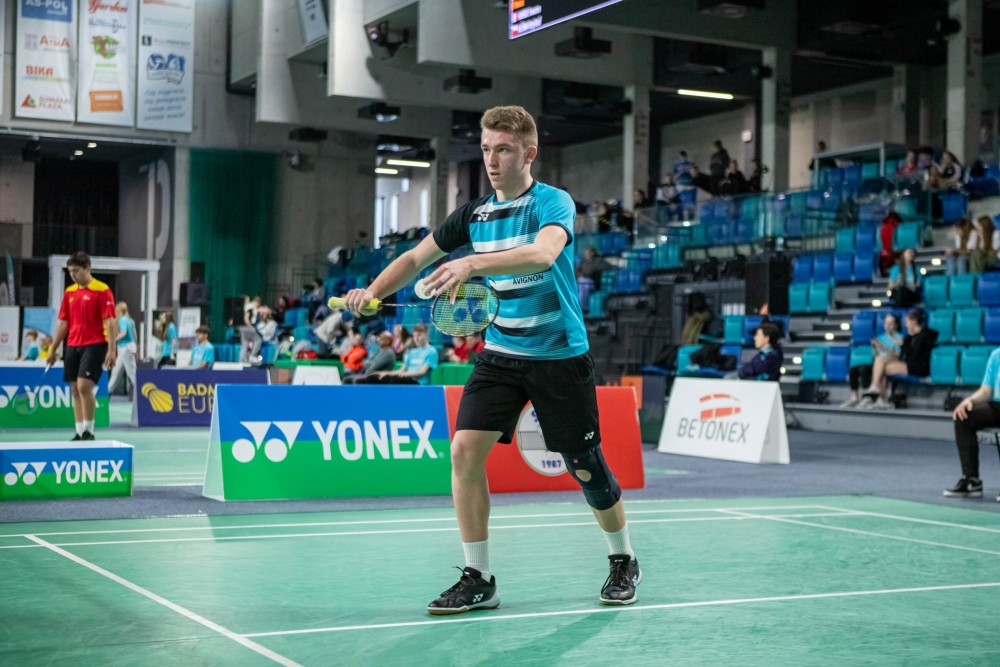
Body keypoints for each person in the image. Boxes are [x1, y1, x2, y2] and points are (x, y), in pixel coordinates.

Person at [343, 105, 640, 613]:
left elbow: (543, 253)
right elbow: (414, 258)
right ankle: (479, 577)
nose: (492, 160)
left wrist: (472, 264)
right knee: (464, 452)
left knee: (584, 465)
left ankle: (623, 558)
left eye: (503, 149)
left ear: (529, 152)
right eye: (485, 149)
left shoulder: (552, 202)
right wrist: (372, 292)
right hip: (501, 353)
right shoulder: (473, 215)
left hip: (558, 354)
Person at [46, 252, 117, 441]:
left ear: (87, 268)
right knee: (75, 389)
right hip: (72, 345)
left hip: (95, 344)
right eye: (70, 271)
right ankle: (79, 432)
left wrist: (111, 350)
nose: (73, 275)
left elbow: (110, 322)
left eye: (76, 271)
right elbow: (63, 324)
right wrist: (53, 349)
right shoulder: (69, 292)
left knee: (84, 385)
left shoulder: (102, 290)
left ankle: (89, 431)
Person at [945, 346, 1000, 500]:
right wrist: (969, 401)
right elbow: (986, 391)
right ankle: (972, 479)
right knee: (963, 417)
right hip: (998, 406)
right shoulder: (997, 355)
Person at [862, 309, 937, 409]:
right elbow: (905, 351)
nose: (906, 325)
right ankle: (877, 393)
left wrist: (906, 342)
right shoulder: (911, 335)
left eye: (907, 322)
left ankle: (878, 394)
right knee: (880, 359)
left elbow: (914, 356)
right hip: (909, 364)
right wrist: (906, 340)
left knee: (882, 368)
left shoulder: (925, 335)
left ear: (914, 321)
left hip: (919, 367)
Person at [841, 314, 903, 409]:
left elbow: (896, 356)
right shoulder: (880, 337)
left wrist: (882, 347)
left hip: (890, 362)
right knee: (853, 369)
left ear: (896, 325)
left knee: (864, 369)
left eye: (890, 323)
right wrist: (875, 348)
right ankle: (854, 397)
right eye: (886, 323)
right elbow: (876, 356)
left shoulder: (899, 338)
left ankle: (869, 397)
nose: (887, 326)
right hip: (878, 362)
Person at [363, 323, 438, 385]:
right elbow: (401, 370)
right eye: (415, 336)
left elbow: (422, 372)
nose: (416, 338)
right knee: (373, 378)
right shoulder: (411, 352)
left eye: (419, 335)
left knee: (394, 379)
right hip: (404, 378)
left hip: (418, 382)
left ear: (427, 335)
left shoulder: (431, 351)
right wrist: (384, 373)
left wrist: (403, 375)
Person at [108, 302, 137, 398]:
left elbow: (123, 333)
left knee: (132, 374)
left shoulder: (123, 320)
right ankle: (107, 393)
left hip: (126, 349)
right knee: (115, 373)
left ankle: (141, 393)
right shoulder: (130, 320)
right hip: (125, 349)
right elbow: (135, 335)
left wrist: (113, 339)